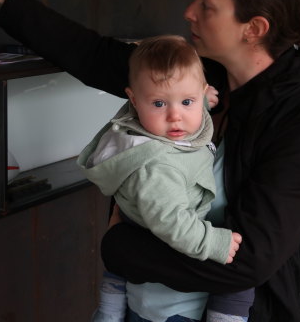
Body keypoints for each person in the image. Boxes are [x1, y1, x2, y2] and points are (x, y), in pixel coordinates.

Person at [0, 0, 300, 322]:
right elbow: (95, 55)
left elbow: (244, 264)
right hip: (149, 305)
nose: (189, 11)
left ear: (254, 28)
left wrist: (121, 247)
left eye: (206, 6)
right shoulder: (199, 73)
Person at [78, 34, 250, 322]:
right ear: (133, 99)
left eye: (187, 101)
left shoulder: (157, 125)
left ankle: (110, 305)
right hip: (166, 246)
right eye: (159, 104)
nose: (175, 117)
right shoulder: (157, 167)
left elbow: (178, 104)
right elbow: (173, 223)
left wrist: (201, 102)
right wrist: (212, 242)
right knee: (240, 274)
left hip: (146, 224)